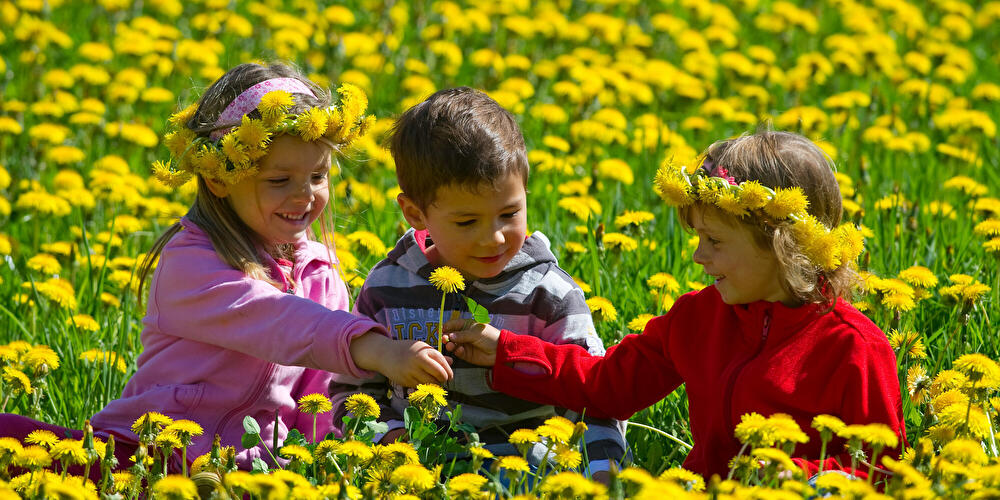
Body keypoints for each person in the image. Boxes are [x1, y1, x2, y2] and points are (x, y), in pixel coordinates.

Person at [1, 62, 453, 476]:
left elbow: (317, 398)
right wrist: (375, 349)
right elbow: (278, 320)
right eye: (279, 180)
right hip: (148, 453)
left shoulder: (322, 275)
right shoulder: (191, 263)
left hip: (249, 470)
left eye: (318, 176)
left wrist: (326, 464)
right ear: (219, 179)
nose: (305, 195)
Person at [443, 130, 907, 481]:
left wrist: (796, 475)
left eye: (715, 241)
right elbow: (608, 386)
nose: (699, 256)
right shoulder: (698, 319)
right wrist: (506, 351)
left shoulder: (853, 347)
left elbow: (882, 468)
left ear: (782, 246)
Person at [329, 87, 627, 478]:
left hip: (527, 470)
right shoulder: (387, 287)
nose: (494, 238)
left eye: (509, 214)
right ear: (415, 213)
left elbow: (594, 393)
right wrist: (390, 439)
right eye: (467, 221)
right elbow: (352, 389)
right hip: (418, 466)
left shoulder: (548, 292)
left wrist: (603, 472)